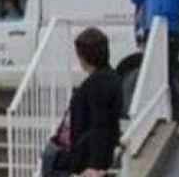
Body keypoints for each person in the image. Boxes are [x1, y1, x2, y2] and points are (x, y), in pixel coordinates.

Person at [41, 27, 122, 177]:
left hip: (77, 159)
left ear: (84, 57)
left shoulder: (97, 84)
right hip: (76, 154)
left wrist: (95, 165)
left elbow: (101, 125)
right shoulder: (111, 78)